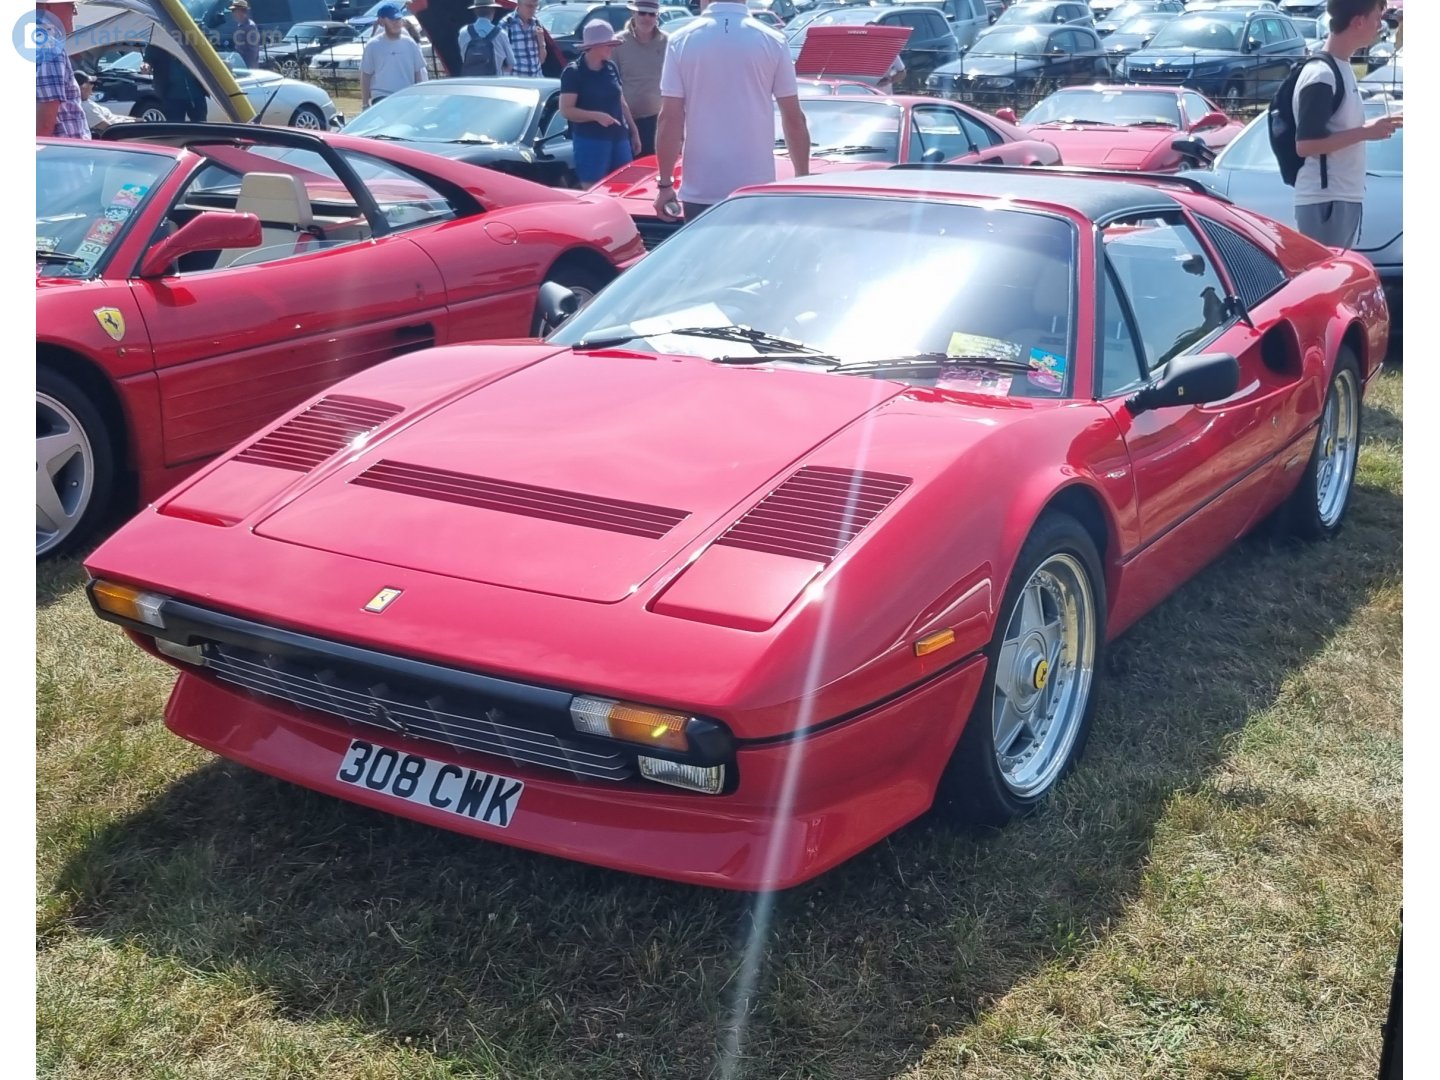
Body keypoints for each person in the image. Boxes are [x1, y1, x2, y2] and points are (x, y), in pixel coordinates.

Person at [652, 0, 809, 222]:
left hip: (701, 187)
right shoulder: (773, 40)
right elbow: (793, 118)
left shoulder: (681, 40)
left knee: (703, 257)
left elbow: (670, 118)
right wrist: (802, 178)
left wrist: (665, 184)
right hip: (755, 186)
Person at [1292, 0, 1401, 248]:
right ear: (1358, 21)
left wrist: (1373, 127)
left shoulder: (1341, 68)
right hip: (1326, 200)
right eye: (1377, 17)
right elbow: (1306, 145)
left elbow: (1337, 130)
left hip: (1340, 198)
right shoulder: (1321, 75)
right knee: (1327, 281)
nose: (1380, 25)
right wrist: (1365, 132)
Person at [560, 21, 641, 185]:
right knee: (594, 189)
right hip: (590, 142)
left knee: (626, 187)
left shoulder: (611, 67)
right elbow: (566, 110)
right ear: (594, 45)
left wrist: (634, 131)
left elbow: (621, 101)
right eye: (608, 44)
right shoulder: (573, 72)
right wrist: (596, 116)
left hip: (619, 138)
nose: (612, 47)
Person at [612, 0, 666, 157]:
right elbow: (612, 83)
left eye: (652, 14)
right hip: (627, 123)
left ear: (657, 16)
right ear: (633, 14)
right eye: (642, 13)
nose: (646, 18)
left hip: (659, 122)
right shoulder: (617, 43)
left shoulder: (668, 42)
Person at [35, 0, 89, 139]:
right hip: (60, 155)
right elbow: (45, 124)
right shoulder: (47, 45)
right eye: (72, 5)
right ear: (48, 7)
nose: (75, 12)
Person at [361, 2, 429, 108]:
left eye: (399, 19)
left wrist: (419, 96)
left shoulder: (410, 43)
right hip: (382, 96)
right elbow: (366, 75)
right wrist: (365, 103)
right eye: (392, 20)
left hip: (407, 95)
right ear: (382, 21)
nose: (397, 23)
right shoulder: (373, 45)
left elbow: (418, 72)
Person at [143, 42, 207, 122]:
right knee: (175, 128)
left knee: (201, 127)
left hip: (196, 94)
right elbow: (148, 60)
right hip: (172, 96)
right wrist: (146, 66)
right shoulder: (158, 42)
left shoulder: (191, 38)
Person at [458, 1, 515, 76]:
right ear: (493, 10)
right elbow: (511, 63)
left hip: (471, 83)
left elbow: (464, 59)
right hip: (493, 83)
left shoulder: (463, 33)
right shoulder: (501, 34)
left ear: (475, 11)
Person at [498, 0, 546, 77]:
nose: (533, 10)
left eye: (535, 6)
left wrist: (541, 40)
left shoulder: (537, 23)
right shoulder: (506, 24)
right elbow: (499, 58)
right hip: (516, 81)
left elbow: (542, 60)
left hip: (537, 79)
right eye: (529, 6)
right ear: (519, 4)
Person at [229, 0, 263, 70]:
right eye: (233, 11)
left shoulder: (250, 27)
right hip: (241, 65)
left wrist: (246, 66)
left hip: (248, 67)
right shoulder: (241, 25)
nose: (233, 14)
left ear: (243, 12)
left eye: (235, 11)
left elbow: (253, 51)